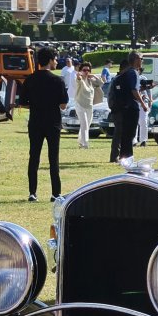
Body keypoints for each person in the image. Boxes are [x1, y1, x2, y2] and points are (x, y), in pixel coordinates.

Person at [22, 45, 67, 201]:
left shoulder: (30, 79)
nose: (56, 62)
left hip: (35, 121)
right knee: (53, 158)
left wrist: (37, 104)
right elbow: (63, 105)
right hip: (53, 122)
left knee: (34, 156)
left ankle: (32, 192)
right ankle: (55, 193)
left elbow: (24, 103)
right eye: (55, 59)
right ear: (50, 60)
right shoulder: (57, 80)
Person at [108, 51, 142, 161]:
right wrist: (143, 103)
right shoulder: (133, 73)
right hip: (129, 108)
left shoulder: (122, 76)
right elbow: (134, 90)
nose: (142, 61)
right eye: (141, 59)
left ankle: (121, 156)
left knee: (123, 134)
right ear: (136, 60)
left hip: (120, 108)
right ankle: (125, 157)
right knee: (128, 134)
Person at [72, 61, 102, 149]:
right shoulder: (79, 80)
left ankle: (81, 141)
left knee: (86, 125)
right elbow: (78, 80)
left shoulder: (90, 80)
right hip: (80, 104)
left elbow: (100, 83)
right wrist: (79, 76)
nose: (86, 72)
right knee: (84, 124)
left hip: (89, 106)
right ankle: (85, 144)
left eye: (88, 70)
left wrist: (94, 76)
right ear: (81, 71)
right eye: (84, 70)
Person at [136, 77, 153, 146]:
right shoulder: (131, 76)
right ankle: (133, 141)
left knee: (143, 121)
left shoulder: (143, 77)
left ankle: (143, 140)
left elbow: (148, 90)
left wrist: (150, 100)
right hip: (134, 102)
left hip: (144, 101)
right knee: (134, 122)